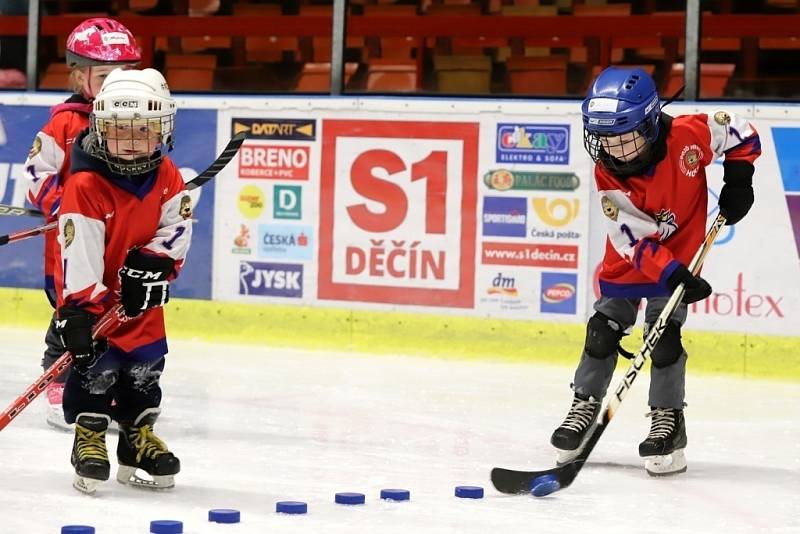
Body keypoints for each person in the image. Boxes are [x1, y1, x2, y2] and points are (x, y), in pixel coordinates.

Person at [550, 67, 761, 476]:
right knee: (602, 329)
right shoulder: (607, 170)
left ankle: (668, 423)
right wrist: (673, 274)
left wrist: (739, 177)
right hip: (633, 261)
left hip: (681, 251)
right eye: (604, 137)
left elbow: (737, 129)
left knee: (663, 338)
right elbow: (631, 239)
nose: (614, 149)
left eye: (624, 137)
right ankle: (584, 405)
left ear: (649, 122)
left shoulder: (688, 135)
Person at [53, 67, 191, 494]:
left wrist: (156, 263)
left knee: (145, 369)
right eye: (119, 130)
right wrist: (81, 308)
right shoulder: (86, 182)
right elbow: (81, 254)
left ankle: (137, 436)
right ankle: (90, 435)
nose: (131, 142)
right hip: (99, 300)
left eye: (143, 130)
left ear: (162, 130)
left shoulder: (167, 174)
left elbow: (179, 226)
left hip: (143, 299)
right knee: (96, 365)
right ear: (100, 127)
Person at [23, 17, 141, 430]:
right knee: (73, 311)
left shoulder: (136, 122)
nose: (116, 84)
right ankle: (58, 375)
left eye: (125, 74)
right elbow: (36, 175)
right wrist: (66, 206)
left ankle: (98, 382)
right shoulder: (65, 123)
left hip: (118, 242)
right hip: (73, 244)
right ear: (78, 75)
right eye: (106, 75)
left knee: (113, 314)